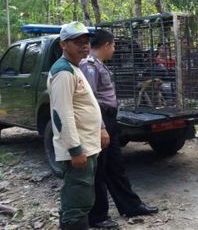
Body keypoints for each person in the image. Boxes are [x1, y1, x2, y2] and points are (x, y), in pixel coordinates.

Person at [80, 30, 158, 228]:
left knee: (116, 165)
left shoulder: (99, 65)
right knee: (100, 169)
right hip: (100, 120)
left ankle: (131, 205)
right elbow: (89, 101)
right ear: (106, 45)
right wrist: (101, 128)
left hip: (109, 120)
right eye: (114, 46)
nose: (114, 50)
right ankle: (97, 216)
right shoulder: (88, 66)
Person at [47, 21, 104, 230]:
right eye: (77, 42)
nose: (84, 46)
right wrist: (75, 149)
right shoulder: (63, 72)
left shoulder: (74, 68)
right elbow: (62, 114)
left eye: (86, 41)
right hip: (78, 148)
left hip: (86, 145)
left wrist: (100, 129)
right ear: (63, 44)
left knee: (80, 197)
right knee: (78, 200)